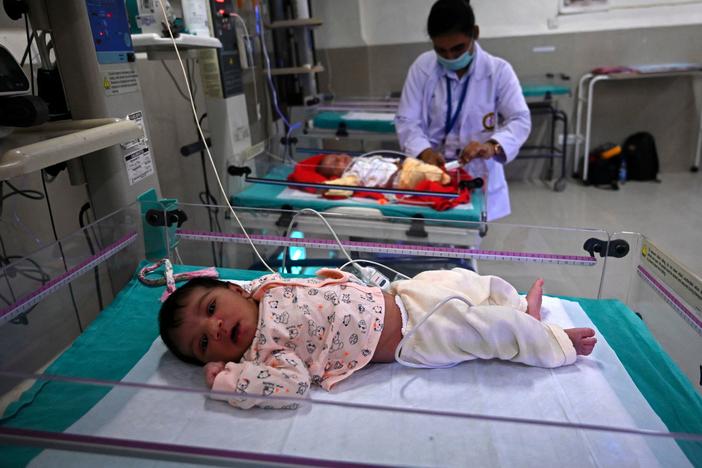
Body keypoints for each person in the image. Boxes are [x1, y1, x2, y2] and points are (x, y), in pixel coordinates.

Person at [159, 268, 596, 410]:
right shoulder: (266, 355)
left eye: (211, 309)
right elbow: (289, 389)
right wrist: (230, 381)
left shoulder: (262, 288)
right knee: (479, 330)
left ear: (234, 291)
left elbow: (230, 281)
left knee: (464, 280)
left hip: (401, 293)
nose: (213, 328)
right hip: (411, 337)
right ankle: (548, 339)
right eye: (203, 344)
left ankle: (519, 307)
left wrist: (188, 279)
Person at [394, 0, 531, 220]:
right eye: (441, 50)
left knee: (467, 242)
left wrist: (492, 146)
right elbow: (406, 120)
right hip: (432, 170)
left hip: (477, 171)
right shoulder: (423, 67)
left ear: (475, 33)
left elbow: (520, 119)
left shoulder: (498, 71)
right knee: (429, 241)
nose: (450, 57)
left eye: (458, 48)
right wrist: (425, 152)